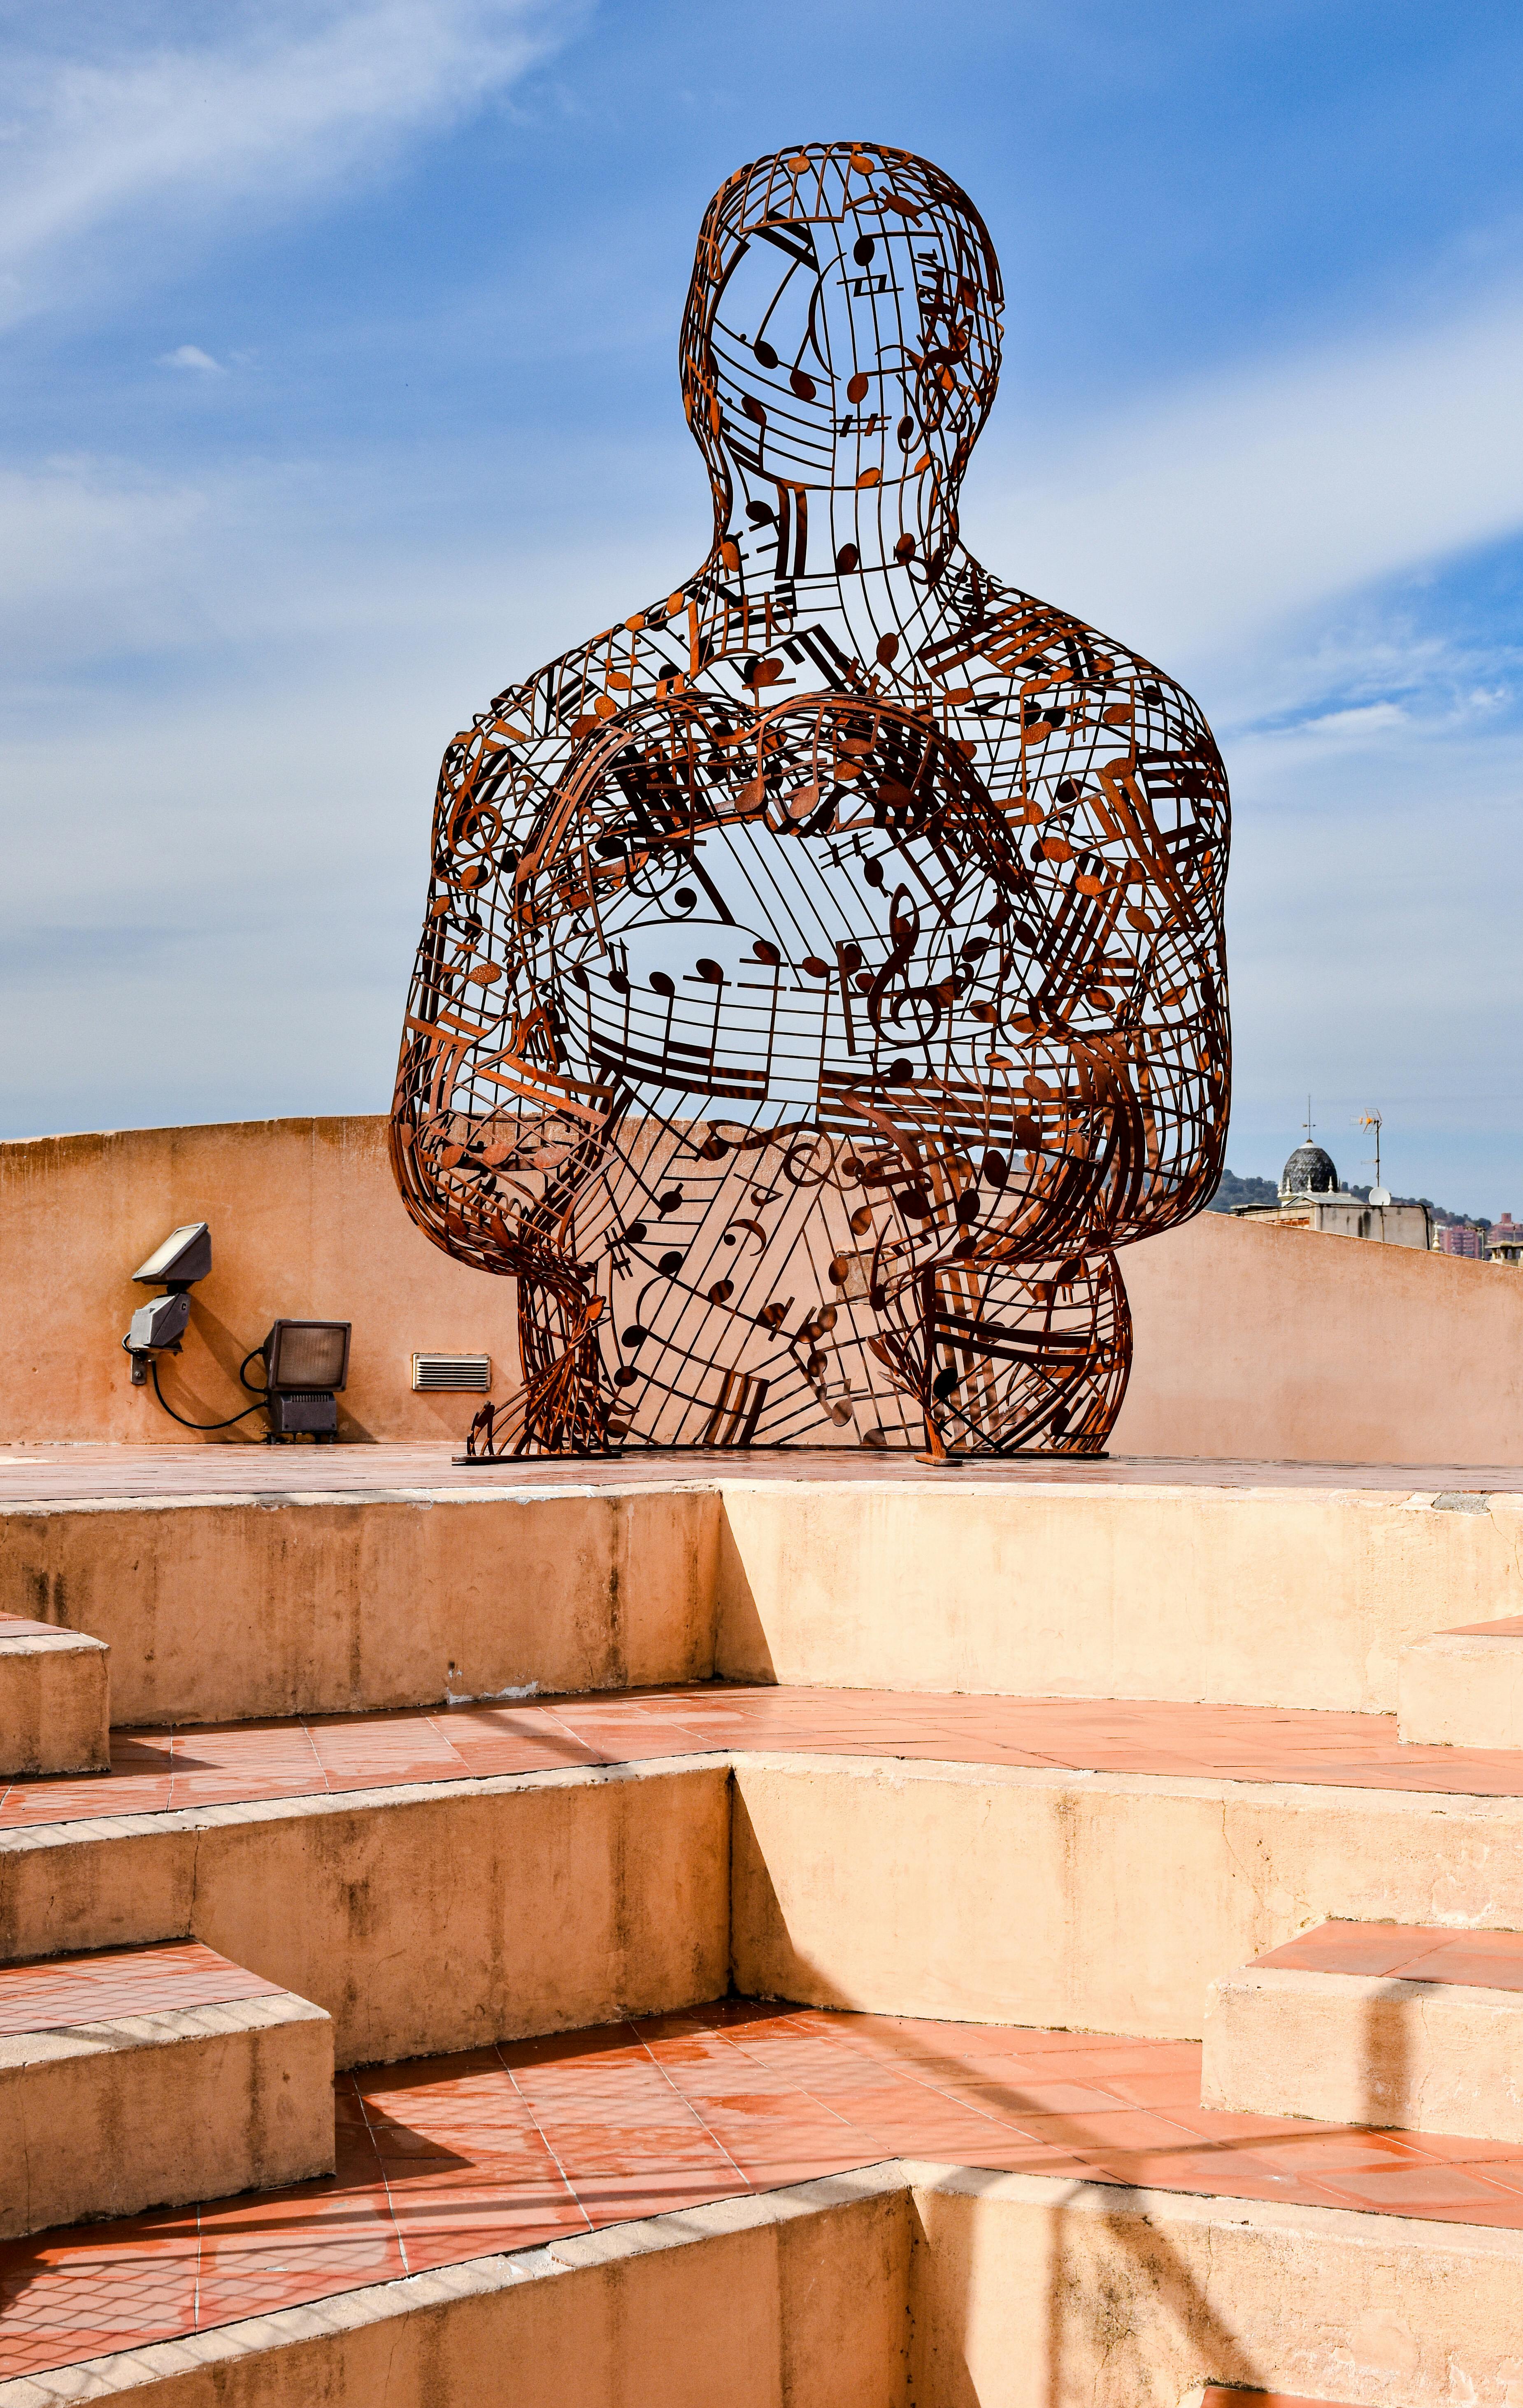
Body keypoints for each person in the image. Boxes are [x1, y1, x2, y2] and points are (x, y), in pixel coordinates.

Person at [391, 141, 1230, 1459]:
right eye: (782, 357)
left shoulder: (1106, 728)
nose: (830, 405)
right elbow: (459, 1166)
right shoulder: (542, 740)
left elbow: (1163, 1147)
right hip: (639, 1407)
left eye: (872, 374)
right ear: (697, 379)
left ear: (966, 382)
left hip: (978, 1409)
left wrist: (781, 1041)